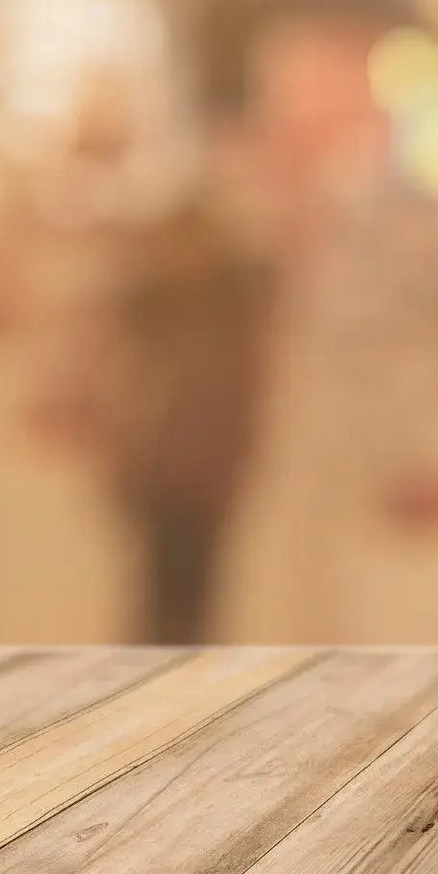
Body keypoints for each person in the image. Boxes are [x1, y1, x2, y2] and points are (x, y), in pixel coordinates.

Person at [99, 193, 274, 643]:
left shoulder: (232, 317)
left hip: (204, 473)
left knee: (199, 593)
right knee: (158, 591)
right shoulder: (148, 311)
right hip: (163, 470)